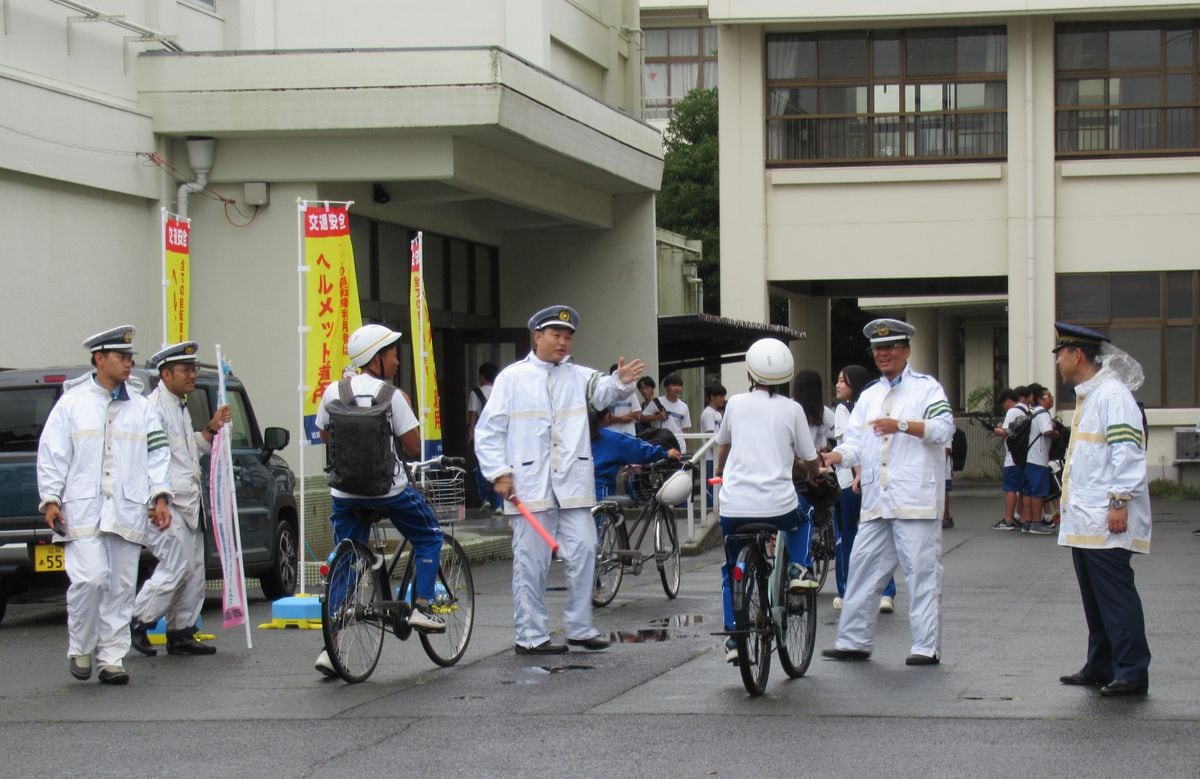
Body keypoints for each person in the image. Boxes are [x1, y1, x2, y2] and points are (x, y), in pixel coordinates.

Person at [475, 305, 645, 655]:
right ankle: (531, 635)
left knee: (585, 549)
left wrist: (620, 383)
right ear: (537, 336)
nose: (563, 342)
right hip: (529, 486)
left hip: (572, 487)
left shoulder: (580, 376)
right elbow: (488, 431)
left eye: (568, 336)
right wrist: (499, 473)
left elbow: (603, 391)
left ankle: (579, 627)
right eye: (556, 335)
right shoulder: (511, 378)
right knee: (530, 563)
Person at [37, 325, 172, 684]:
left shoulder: (142, 408)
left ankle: (112, 658)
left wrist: (159, 496)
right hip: (81, 511)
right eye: (121, 357)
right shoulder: (72, 404)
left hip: (126, 510)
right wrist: (50, 498)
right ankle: (81, 646)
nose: (128, 363)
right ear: (99, 359)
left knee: (121, 588)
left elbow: (158, 455)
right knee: (91, 579)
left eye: (130, 358)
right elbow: (53, 454)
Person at [313, 324, 446, 677]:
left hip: (344, 492)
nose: (398, 361)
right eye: (392, 354)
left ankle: (332, 647)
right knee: (429, 534)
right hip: (389, 491)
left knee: (347, 557)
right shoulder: (393, 396)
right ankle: (423, 605)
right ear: (376, 359)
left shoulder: (333, 391)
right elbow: (415, 446)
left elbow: (326, 433)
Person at [821, 318, 954, 666]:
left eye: (891, 347)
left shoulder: (927, 388)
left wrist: (902, 426)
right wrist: (835, 456)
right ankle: (853, 641)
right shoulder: (869, 395)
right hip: (877, 499)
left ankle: (926, 646)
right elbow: (855, 444)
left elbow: (944, 428)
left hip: (915, 500)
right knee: (862, 568)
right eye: (878, 349)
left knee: (921, 573)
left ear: (906, 350)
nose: (884, 354)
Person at [1052, 323, 1152, 697]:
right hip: (1086, 519)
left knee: (1115, 598)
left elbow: (1127, 453)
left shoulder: (1112, 395)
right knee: (1095, 600)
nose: (1059, 362)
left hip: (1106, 517)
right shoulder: (1089, 397)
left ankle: (1132, 670)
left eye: (1060, 354)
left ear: (1077, 354)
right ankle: (1101, 664)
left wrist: (1119, 502)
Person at [716, 338, 821, 663]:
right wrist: (813, 475)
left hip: (734, 506)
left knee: (732, 565)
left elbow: (724, 446)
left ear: (750, 372)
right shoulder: (793, 409)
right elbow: (809, 456)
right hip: (779, 505)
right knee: (805, 514)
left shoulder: (734, 404)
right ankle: (798, 569)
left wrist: (721, 469)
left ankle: (735, 639)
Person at [129, 342, 231, 658]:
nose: (193, 375)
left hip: (188, 501)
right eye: (186, 370)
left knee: (193, 569)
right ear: (166, 373)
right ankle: (138, 620)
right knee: (176, 565)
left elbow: (186, 451)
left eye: (194, 369)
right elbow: (151, 459)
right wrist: (156, 500)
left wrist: (211, 430)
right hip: (167, 502)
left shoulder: (179, 406)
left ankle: (181, 631)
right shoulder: (153, 408)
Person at [830, 365, 897, 613]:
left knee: (847, 537)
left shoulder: (844, 409)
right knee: (879, 535)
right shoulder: (875, 407)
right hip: (873, 479)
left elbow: (850, 444)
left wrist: (857, 473)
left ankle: (847, 591)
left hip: (849, 481)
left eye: (842, 381)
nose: (837, 385)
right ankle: (886, 593)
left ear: (854, 385)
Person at [590, 410, 679, 501]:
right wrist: (665, 453)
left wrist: (623, 463)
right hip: (599, 488)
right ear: (607, 416)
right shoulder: (611, 437)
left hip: (577, 489)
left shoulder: (578, 436)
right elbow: (638, 448)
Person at [1020, 382, 1058, 535]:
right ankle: (1037, 522)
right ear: (1041, 400)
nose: (1051, 399)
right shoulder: (1042, 412)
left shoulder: (1032, 412)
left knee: (1028, 492)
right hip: (1038, 458)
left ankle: (1027, 522)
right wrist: (1056, 433)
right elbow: (1047, 432)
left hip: (1028, 458)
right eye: (1049, 396)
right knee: (1038, 492)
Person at [467, 361, 502, 512]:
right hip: (500, 435)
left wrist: (470, 435)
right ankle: (499, 503)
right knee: (499, 467)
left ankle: (486, 499)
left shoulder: (476, 393)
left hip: (482, 436)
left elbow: (473, 416)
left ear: (482, 377)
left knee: (481, 467)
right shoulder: (501, 391)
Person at [992, 387, 1025, 531]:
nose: (1004, 408)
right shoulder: (1026, 410)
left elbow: (1006, 433)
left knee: (1010, 488)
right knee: (1022, 489)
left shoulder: (1012, 411)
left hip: (1012, 457)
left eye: (1004, 404)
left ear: (1008, 401)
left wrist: (997, 430)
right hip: (1024, 457)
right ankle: (1020, 517)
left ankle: (1008, 520)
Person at [698, 383, 726, 503]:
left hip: (718, 456)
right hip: (711, 457)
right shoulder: (708, 413)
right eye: (720, 396)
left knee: (719, 484)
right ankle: (710, 506)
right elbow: (711, 436)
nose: (723, 399)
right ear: (712, 397)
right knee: (712, 484)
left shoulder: (718, 413)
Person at [606, 363, 642, 436]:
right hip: (612, 435)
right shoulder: (606, 393)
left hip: (629, 435)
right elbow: (605, 418)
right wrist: (621, 419)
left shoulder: (630, 392)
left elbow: (636, 412)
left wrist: (616, 419)